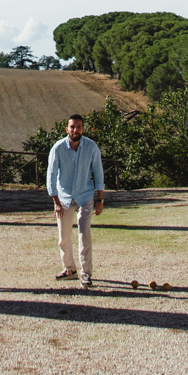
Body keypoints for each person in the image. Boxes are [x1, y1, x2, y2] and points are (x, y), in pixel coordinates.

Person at [47, 112, 106, 285]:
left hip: (85, 196)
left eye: (78, 127)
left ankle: (86, 273)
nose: (75, 130)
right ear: (67, 129)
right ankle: (70, 269)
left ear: (83, 129)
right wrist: (56, 202)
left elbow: (98, 172)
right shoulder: (57, 148)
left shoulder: (91, 147)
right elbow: (51, 176)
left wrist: (100, 199)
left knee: (84, 234)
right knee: (63, 238)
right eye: (72, 127)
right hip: (63, 198)